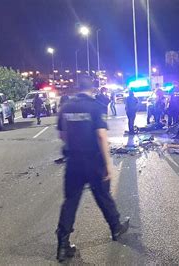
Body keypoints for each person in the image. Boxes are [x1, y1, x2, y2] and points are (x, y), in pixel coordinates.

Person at [55, 76, 129, 262]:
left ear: (76, 88)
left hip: (73, 162)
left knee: (70, 201)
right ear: (93, 89)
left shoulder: (65, 107)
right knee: (103, 196)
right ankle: (115, 227)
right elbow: (101, 137)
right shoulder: (96, 106)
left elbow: (63, 136)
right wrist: (108, 164)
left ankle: (62, 246)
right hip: (93, 161)